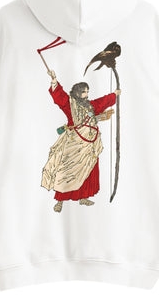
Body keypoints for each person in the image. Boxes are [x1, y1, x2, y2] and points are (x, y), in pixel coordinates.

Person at [41, 69, 120, 212]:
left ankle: (83, 197)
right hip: (74, 142)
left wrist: (114, 95)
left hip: (88, 144)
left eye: (87, 92)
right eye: (84, 92)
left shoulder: (89, 105)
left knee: (88, 168)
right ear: (77, 93)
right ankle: (60, 201)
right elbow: (60, 97)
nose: (86, 94)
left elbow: (101, 103)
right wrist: (54, 81)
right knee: (67, 170)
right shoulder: (70, 104)